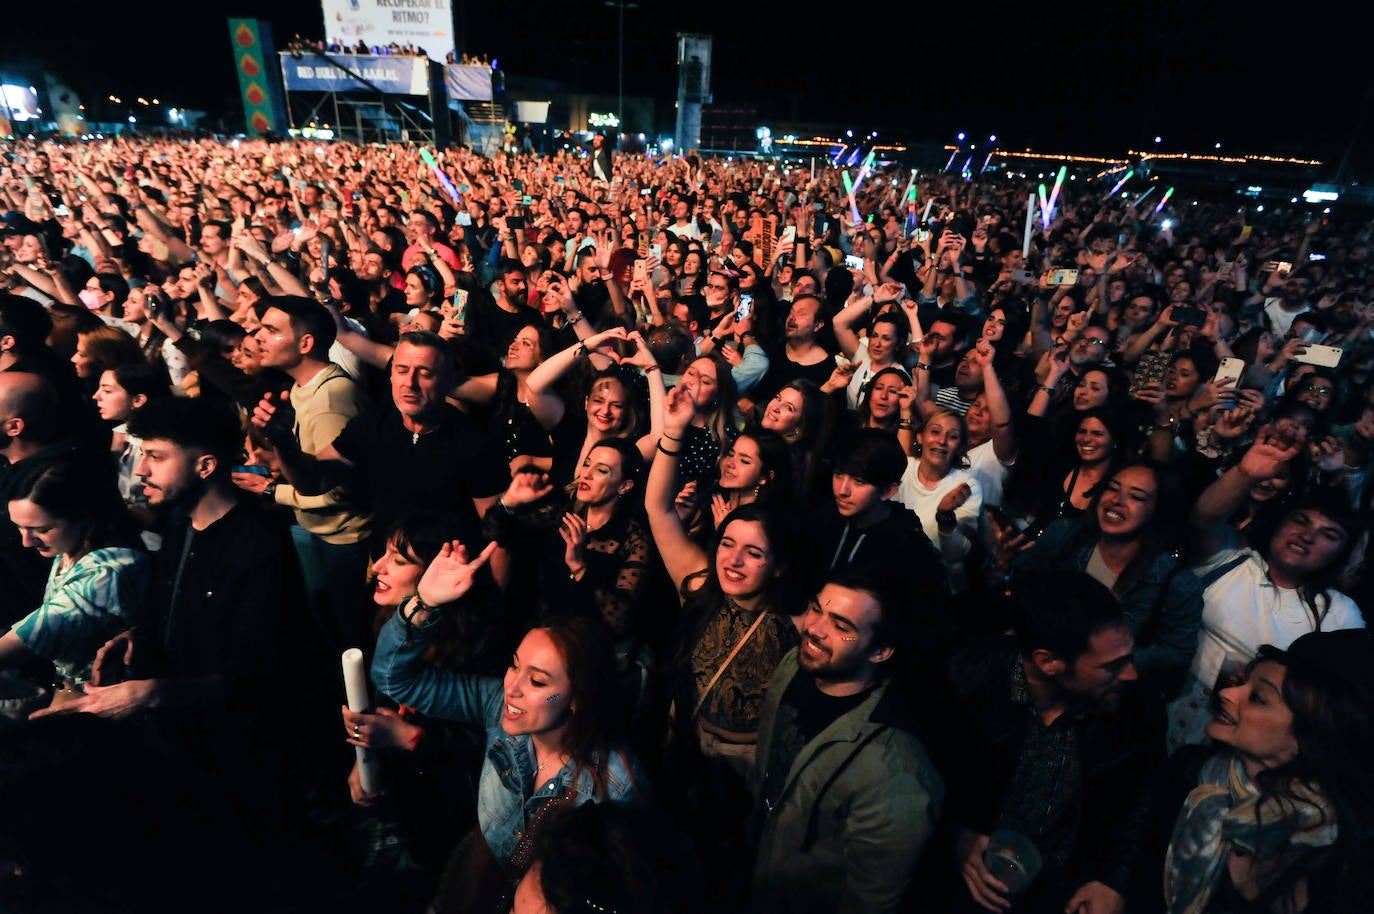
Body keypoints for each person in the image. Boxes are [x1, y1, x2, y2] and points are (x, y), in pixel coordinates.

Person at [370, 544, 644, 913]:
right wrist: (424, 603)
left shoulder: (617, 785)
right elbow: (392, 678)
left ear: (577, 698)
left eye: (538, 682)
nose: (511, 687)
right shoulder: (497, 703)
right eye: (515, 665)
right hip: (481, 885)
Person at [932, 571, 1162, 914]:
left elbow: (1144, 798)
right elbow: (922, 782)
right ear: (1048, 661)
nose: (1131, 674)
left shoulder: (1136, 704)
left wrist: (1114, 881)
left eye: (1129, 656)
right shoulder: (966, 679)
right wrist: (954, 836)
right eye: (1112, 666)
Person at [750, 571, 944, 914]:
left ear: (881, 651)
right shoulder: (793, 669)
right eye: (815, 609)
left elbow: (871, 899)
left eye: (841, 626)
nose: (815, 629)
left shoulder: (893, 771)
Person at [1167, 432, 1365, 752]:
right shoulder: (1233, 559)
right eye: (1300, 521)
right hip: (1160, 718)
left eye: (1328, 534)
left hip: (1240, 754)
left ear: (1340, 555)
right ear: (1279, 524)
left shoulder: (1339, 614)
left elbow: (1338, 702)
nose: (1307, 535)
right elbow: (1203, 519)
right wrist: (1245, 474)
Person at [1162, 631, 1374, 914]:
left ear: (1307, 737)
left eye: (1258, 698)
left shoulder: (1332, 856)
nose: (1226, 693)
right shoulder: (1188, 769)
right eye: (1242, 681)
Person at [994, 460, 1204, 693]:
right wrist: (1003, 567)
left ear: (1158, 510)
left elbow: (1177, 655)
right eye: (1113, 488)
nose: (1117, 500)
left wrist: (1107, 660)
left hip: (1101, 696)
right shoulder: (1065, 535)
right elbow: (1018, 593)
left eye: (1137, 497)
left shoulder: (1176, 583)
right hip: (1037, 674)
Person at [0, 454, 148, 693]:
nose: (26, 541)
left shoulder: (108, 571)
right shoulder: (69, 547)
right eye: (19, 527)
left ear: (84, 517)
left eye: (42, 529)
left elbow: (34, 633)